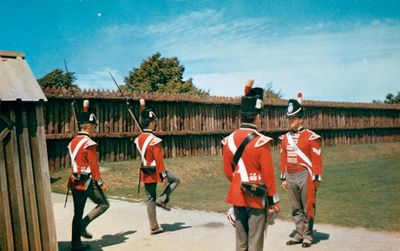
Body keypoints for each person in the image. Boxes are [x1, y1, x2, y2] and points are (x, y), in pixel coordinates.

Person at [222, 80, 281, 251]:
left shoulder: (228, 140)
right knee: (255, 243)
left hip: (237, 195)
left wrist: (239, 182)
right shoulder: (261, 142)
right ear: (257, 116)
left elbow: (228, 172)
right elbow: (268, 177)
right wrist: (273, 202)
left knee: (241, 244)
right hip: (256, 198)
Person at [279, 92, 323, 248]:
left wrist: (316, 178)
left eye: (293, 118)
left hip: (305, 175)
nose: (290, 121)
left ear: (301, 119)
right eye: (289, 118)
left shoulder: (311, 137)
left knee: (307, 206)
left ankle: (308, 236)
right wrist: (283, 178)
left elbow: (317, 158)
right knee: (295, 207)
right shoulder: (284, 138)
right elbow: (283, 157)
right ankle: (298, 233)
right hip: (290, 175)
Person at [67, 100, 110, 251]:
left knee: (77, 212)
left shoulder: (73, 142)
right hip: (86, 182)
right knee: (104, 204)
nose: (95, 128)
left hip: (73, 181)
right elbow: (94, 167)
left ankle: (75, 244)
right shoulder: (89, 143)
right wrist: (101, 183)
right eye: (94, 125)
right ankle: (83, 226)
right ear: (87, 125)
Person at [134, 98, 180, 235]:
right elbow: (159, 160)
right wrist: (164, 176)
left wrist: (143, 109)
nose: (155, 124)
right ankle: (163, 198)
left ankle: (154, 227)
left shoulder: (139, 139)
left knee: (150, 198)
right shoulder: (154, 140)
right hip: (156, 170)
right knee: (176, 180)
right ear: (150, 123)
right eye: (154, 122)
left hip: (145, 170)